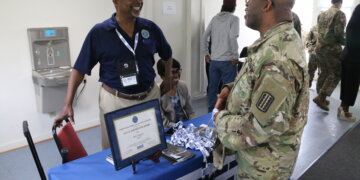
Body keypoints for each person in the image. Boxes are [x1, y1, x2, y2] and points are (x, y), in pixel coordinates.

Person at [54, 0, 174, 150]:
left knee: (153, 148)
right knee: (117, 152)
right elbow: (79, 69)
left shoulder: (150, 28)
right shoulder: (99, 32)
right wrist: (67, 104)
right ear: (115, 1)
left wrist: (168, 78)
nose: (139, 1)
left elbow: (167, 54)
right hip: (116, 101)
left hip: (149, 97)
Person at [212, 0, 309, 179]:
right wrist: (231, 90)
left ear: (267, 5)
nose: (246, 4)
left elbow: (255, 129)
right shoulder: (274, 43)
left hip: (264, 170)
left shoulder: (279, 57)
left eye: (249, 0)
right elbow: (258, 81)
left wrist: (220, 119)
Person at [201, 0, 239, 112]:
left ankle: (211, 112)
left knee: (212, 88)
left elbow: (204, 36)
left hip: (214, 61)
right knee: (228, 90)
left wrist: (206, 53)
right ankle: (225, 113)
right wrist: (235, 56)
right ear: (234, 7)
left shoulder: (214, 19)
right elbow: (233, 37)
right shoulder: (234, 19)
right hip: (228, 61)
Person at [313, 0, 346, 111]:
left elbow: (319, 30)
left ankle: (319, 95)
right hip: (331, 49)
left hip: (319, 47)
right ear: (340, 2)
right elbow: (339, 33)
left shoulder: (322, 14)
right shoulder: (339, 14)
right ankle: (321, 97)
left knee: (325, 71)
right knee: (335, 73)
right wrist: (346, 42)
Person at [157, 58, 195, 127]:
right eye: (172, 72)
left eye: (178, 71)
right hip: (170, 129)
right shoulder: (157, 93)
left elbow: (191, 112)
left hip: (186, 125)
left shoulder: (183, 86)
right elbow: (163, 123)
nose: (177, 75)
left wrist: (193, 125)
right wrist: (181, 128)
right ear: (162, 76)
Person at [338, 4, 360, 121]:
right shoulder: (355, 28)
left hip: (349, 56)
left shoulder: (353, 25)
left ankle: (343, 109)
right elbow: (354, 43)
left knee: (348, 84)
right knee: (351, 85)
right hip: (353, 58)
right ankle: (344, 111)